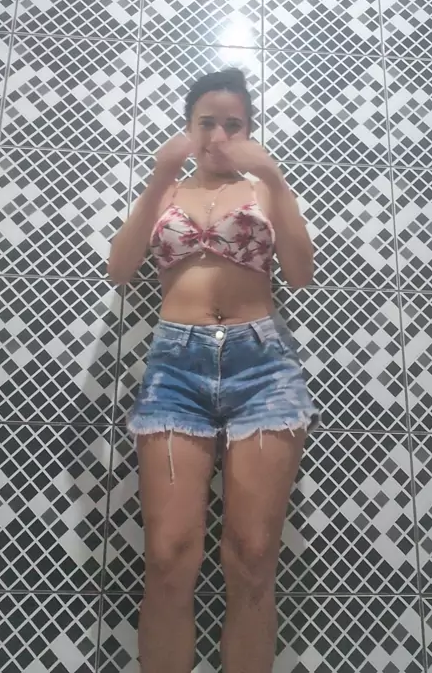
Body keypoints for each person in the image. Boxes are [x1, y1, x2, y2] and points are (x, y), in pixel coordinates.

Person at [108, 68, 320, 673]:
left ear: (249, 131)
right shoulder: (166, 193)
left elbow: (301, 274)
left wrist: (274, 177)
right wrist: (157, 176)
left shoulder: (263, 191)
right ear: (188, 129)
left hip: (263, 370)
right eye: (208, 122)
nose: (221, 136)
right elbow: (120, 270)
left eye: (235, 124)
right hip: (176, 370)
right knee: (169, 557)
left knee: (252, 558)